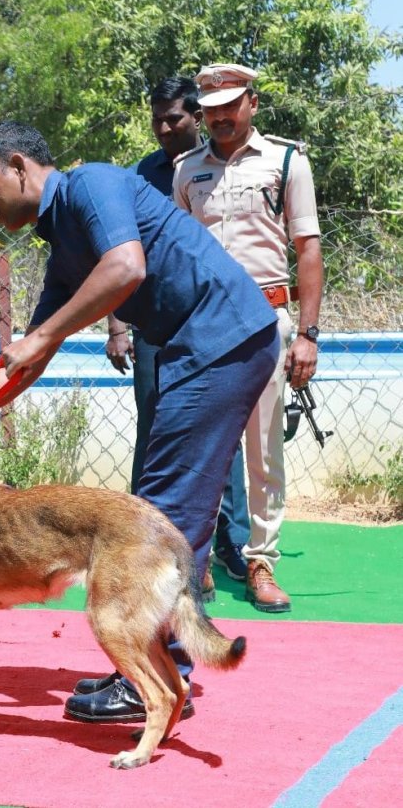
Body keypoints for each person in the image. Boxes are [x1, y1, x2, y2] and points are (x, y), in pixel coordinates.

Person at [0, 120, 279, 724]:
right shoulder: (61, 242)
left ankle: (159, 677)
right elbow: (29, 363)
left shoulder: (92, 185)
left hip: (221, 340)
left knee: (165, 509)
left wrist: (41, 334)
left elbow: (125, 268)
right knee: (161, 505)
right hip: (203, 347)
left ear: (18, 165)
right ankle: (158, 668)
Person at [172, 63, 324, 613]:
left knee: (263, 451)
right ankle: (200, 558)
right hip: (205, 324)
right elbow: (178, 253)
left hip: (267, 319)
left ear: (252, 103)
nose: (219, 117)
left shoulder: (286, 160)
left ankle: (261, 561)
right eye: (210, 109)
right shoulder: (187, 168)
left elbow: (307, 249)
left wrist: (306, 335)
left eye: (230, 106)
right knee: (203, 446)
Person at [105, 76, 250, 602]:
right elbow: (115, 252)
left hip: (213, 321)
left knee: (220, 428)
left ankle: (230, 545)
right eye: (158, 119)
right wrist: (117, 324)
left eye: (176, 119)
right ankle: (145, 541)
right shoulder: (140, 174)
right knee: (156, 425)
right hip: (153, 324)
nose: (166, 128)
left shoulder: (223, 169)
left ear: (198, 117)